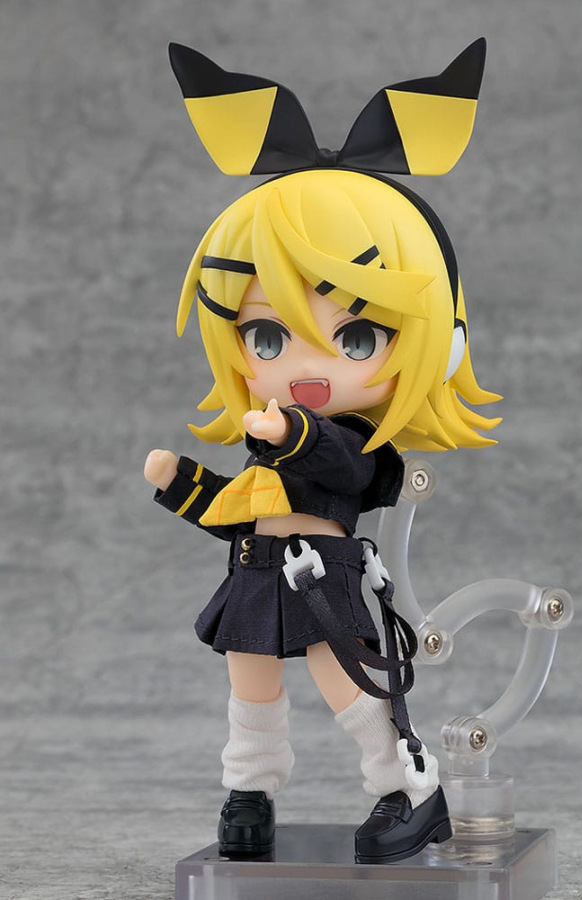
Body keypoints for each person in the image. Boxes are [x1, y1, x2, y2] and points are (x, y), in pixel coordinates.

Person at [144, 41, 500, 864]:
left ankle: (411, 790)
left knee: (354, 689)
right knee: (249, 689)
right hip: (253, 571)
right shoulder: (265, 446)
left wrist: (293, 434)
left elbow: (341, 470)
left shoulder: (352, 444)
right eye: (268, 336)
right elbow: (236, 508)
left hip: (324, 575)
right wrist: (179, 484)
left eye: (357, 336)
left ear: (436, 343)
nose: (306, 367)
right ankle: (250, 792)